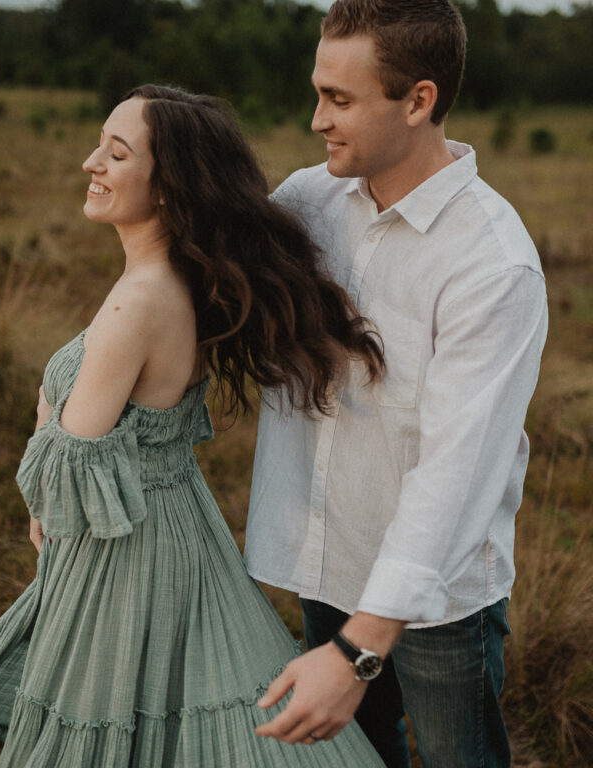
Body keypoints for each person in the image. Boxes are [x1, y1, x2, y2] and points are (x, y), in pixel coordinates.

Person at [0, 85, 386, 767]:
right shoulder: (177, 280)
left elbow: (68, 468)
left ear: (166, 188)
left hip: (125, 549)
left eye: (116, 154)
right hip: (171, 525)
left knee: (114, 714)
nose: (92, 162)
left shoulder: (138, 302)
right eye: (99, 144)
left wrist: (45, 407)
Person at [246, 2, 548, 767]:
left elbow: (457, 473)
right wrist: (74, 400)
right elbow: (199, 296)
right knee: (350, 761)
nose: (317, 119)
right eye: (318, 93)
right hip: (323, 561)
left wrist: (357, 653)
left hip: (436, 597)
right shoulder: (306, 203)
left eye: (339, 100)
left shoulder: (491, 263)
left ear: (418, 100)